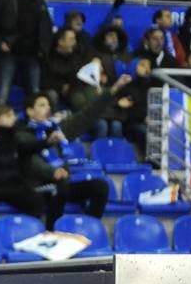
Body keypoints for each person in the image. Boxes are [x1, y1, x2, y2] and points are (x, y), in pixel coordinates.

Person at [21, 89, 119, 228]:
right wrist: (52, 172)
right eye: (42, 105)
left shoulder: (56, 129)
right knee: (60, 187)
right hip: (37, 186)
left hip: (62, 183)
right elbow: (30, 161)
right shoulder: (22, 132)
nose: (47, 108)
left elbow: (86, 115)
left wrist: (112, 91)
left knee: (100, 186)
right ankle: (52, 233)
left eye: (48, 105)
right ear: (30, 111)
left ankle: (90, 228)